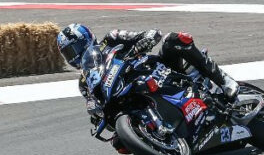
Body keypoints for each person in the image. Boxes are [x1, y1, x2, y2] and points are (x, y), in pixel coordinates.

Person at [57, 25, 240, 144]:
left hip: (157, 71)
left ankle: (224, 81)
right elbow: (95, 102)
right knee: (119, 142)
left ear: (86, 39)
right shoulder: (84, 82)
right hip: (129, 95)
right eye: (68, 53)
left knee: (174, 40)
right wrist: (97, 113)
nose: (74, 55)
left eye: (75, 48)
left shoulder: (111, 39)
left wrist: (145, 40)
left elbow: (152, 34)